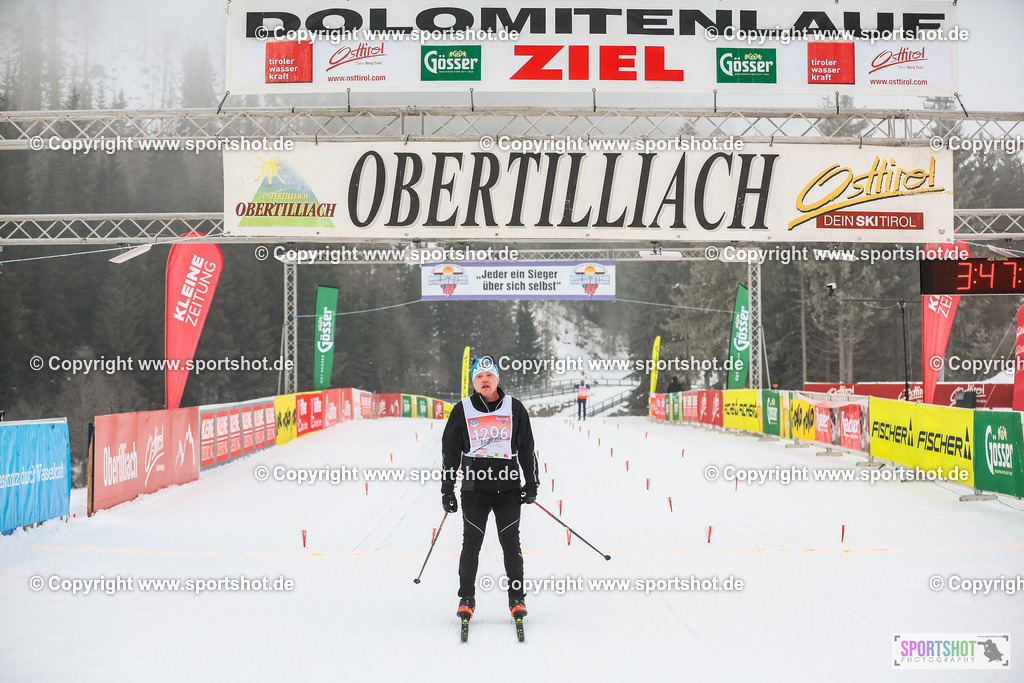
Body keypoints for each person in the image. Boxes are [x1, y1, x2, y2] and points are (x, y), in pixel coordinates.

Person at [441, 356, 539, 623]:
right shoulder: (462, 410)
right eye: (479, 377)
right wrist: (447, 488)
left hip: (508, 488)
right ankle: (467, 598)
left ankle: (516, 599)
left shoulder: (514, 408)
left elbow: (527, 448)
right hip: (475, 489)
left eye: (489, 376)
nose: (484, 380)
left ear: (497, 379)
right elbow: (450, 451)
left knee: (511, 544)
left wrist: (532, 483)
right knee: (471, 544)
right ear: (474, 382)